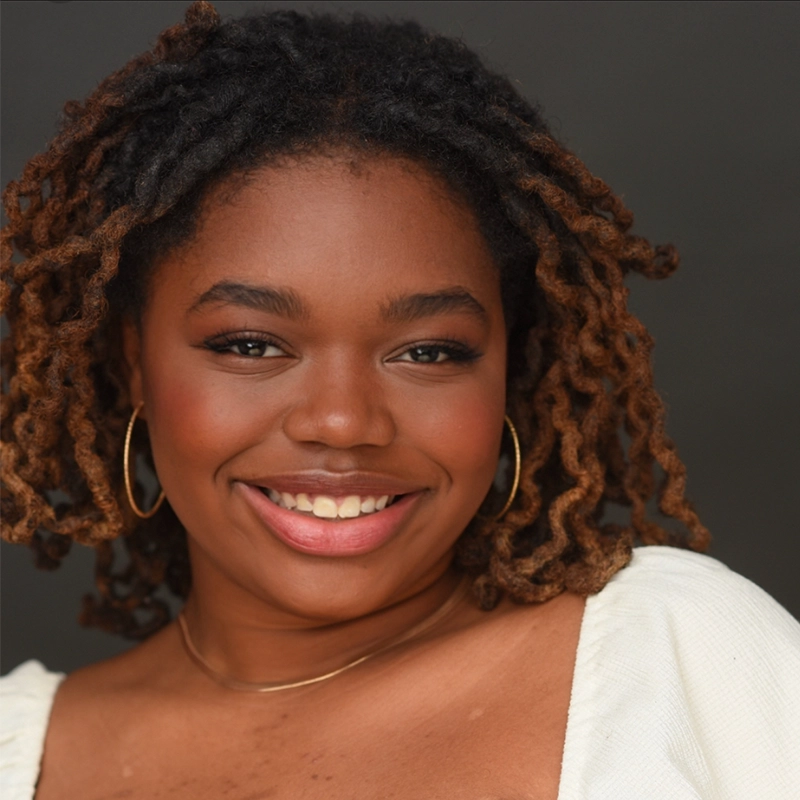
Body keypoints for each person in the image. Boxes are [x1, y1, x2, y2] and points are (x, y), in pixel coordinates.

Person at [1, 2, 798, 797]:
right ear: (134, 363)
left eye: (428, 352)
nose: (344, 421)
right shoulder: (19, 752)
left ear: (508, 372)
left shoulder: (675, 663)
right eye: (251, 345)